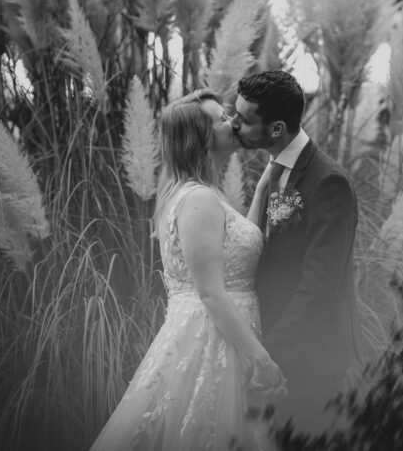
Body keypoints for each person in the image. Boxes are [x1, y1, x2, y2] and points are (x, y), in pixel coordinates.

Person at [89, 89, 285, 451]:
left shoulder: (201, 193)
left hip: (222, 334)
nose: (232, 123)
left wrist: (260, 191)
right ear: (202, 138)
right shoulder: (198, 199)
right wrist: (261, 358)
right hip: (213, 343)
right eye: (222, 119)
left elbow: (238, 248)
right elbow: (211, 292)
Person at [232, 70, 359, 436]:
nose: (235, 124)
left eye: (244, 119)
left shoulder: (328, 182)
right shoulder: (276, 169)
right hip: (280, 343)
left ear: (276, 129)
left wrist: (267, 355)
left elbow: (317, 288)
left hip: (312, 356)